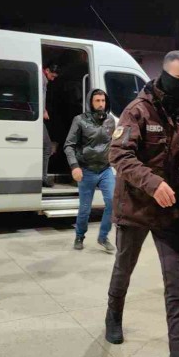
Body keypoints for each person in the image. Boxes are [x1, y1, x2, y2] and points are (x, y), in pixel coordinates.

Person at [104, 51, 179, 357]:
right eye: (178, 79)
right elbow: (118, 154)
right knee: (124, 269)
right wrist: (153, 183)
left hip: (170, 212)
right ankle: (113, 314)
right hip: (135, 208)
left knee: (175, 282)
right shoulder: (137, 110)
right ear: (163, 75)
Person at [63, 88, 116, 252]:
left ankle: (103, 237)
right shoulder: (80, 120)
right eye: (97, 101)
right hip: (86, 169)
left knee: (112, 201)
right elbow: (69, 145)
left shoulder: (110, 120)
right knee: (85, 208)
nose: (101, 104)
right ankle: (79, 236)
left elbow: (114, 143)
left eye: (103, 101)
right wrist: (74, 166)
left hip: (105, 169)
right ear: (90, 103)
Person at [42, 62, 59, 188]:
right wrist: (43, 111)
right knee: (47, 147)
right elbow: (40, 97)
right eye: (52, 76)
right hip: (39, 119)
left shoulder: (42, 78)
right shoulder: (42, 79)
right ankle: (43, 178)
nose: (53, 79)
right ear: (47, 70)